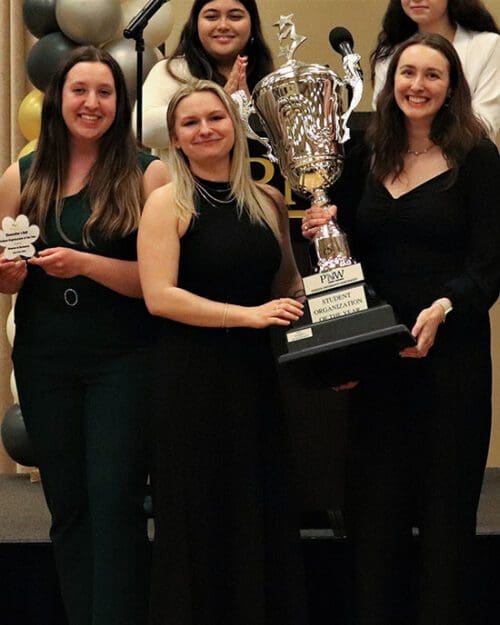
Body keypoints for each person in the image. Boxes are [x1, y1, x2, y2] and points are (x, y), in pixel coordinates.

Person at [303, 33, 500, 624]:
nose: (417, 85)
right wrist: (320, 229)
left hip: (451, 361)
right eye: (407, 73)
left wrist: (445, 308)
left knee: (445, 520)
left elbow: (489, 265)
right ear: (391, 84)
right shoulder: (363, 152)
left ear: (451, 88)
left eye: (432, 75)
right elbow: (340, 253)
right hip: (378, 359)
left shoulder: (479, 157)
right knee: (374, 519)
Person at [0, 46, 168, 625]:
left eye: (104, 92)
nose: (91, 103)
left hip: (124, 358)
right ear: (57, 100)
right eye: (79, 91)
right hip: (46, 360)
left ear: (120, 104)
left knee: (115, 502)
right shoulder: (21, 175)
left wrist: (86, 264)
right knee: (68, 508)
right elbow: (4, 273)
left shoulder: (149, 173)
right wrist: (8, 275)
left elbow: (159, 285)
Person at [138, 79, 308, 625]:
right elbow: (159, 297)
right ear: (176, 140)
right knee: (199, 522)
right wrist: (247, 316)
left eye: (216, 118)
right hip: (192, 381)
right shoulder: (167, 203)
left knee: (259, 514)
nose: (206, 129)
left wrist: (334, 260)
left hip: (257, 379)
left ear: (234, 127)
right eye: (191, 123)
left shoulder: (268, 201)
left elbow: (287, 289)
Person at [136, 0, 274, 160]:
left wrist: (250, 115)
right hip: (183, 184)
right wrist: (220, 102)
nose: (223, 25)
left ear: (252, 25)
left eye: (235, 17)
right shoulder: (172, 70)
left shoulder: (267, 79)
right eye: (211, 17)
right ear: (195, 25)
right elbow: (145, 130)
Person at [371, 0, 500, 140]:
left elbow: (485, 121)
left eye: (432, 75)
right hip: (401, 155)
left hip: (466, 155)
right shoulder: (389, 50)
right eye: (408, 73)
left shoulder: (489, 45)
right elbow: (383, 118)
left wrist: (428, 148)